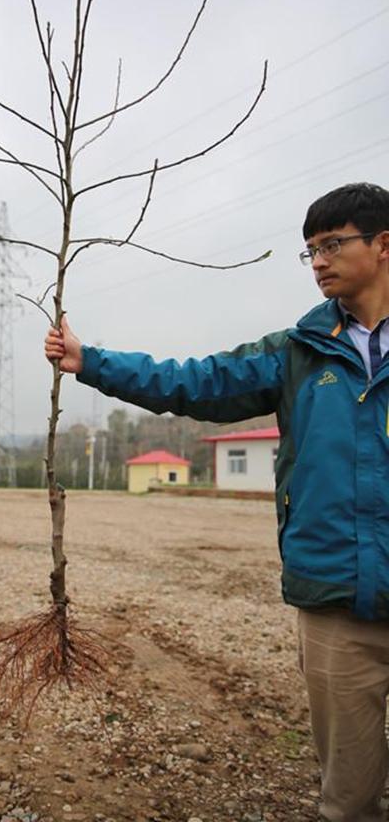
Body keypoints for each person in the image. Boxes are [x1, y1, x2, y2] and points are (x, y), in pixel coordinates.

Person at [45, 182, 389, 822]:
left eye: (332, 244)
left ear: (384, 244)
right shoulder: (298, 352)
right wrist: (89, 361)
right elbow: (194, 381)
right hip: (338, 598)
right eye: (309, 250)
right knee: (350, 798)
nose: (317, 261)